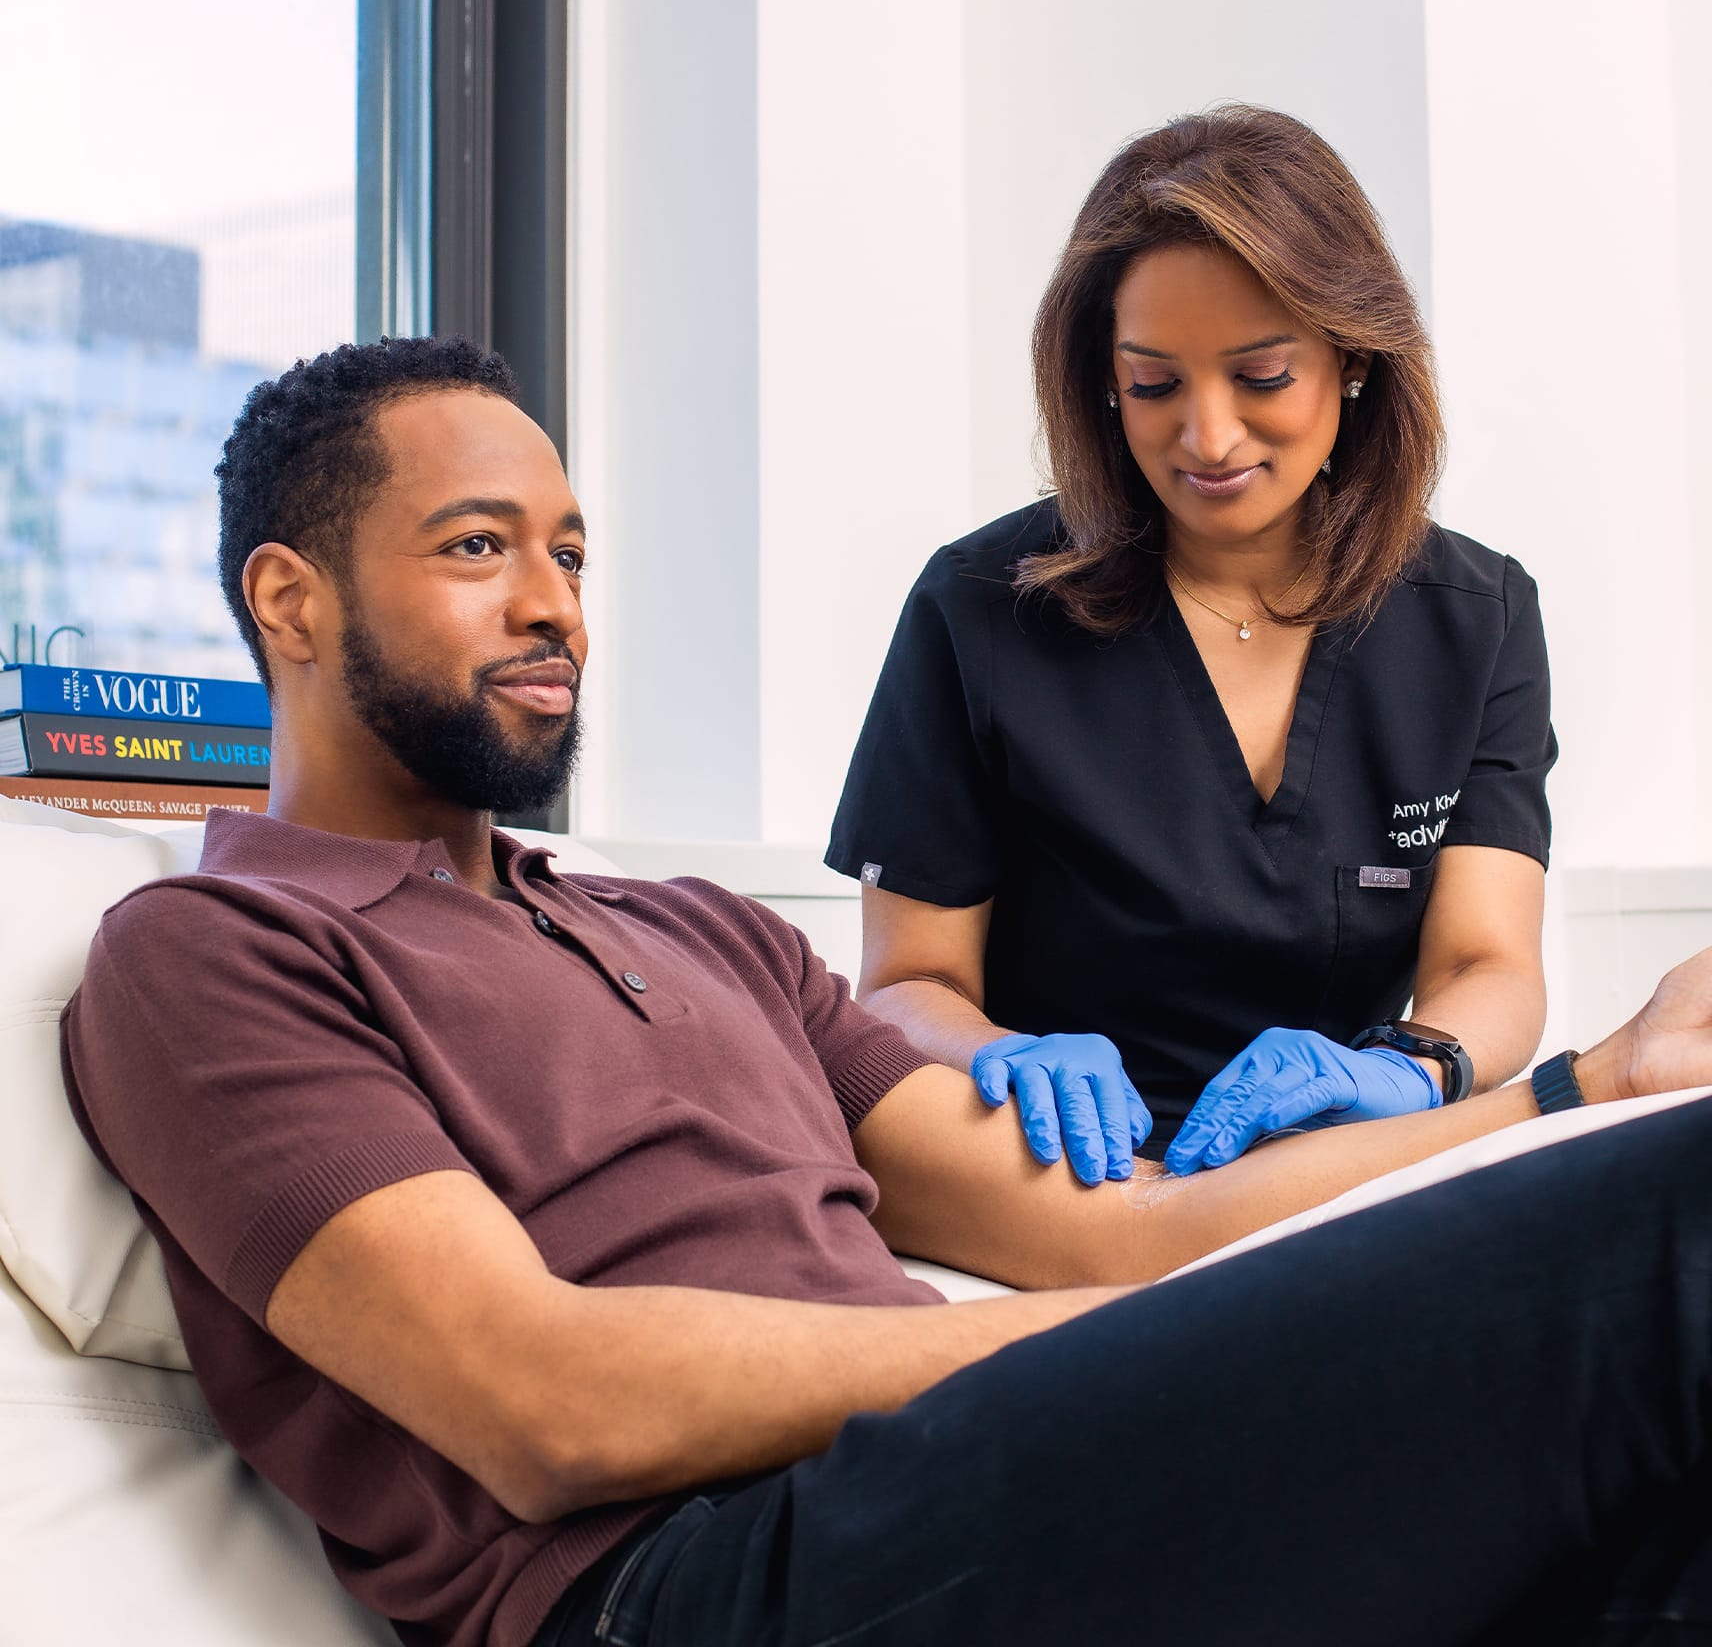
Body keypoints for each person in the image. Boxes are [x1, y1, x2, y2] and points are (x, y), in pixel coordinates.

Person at [59, 338, 1712, 1647]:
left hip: (971, 1499)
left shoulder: (705, 934)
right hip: (694, 1582)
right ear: (289, 599)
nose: (555, 603)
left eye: (569, 553)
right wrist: (1105, 1349)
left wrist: (1584, 1083)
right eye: (479, 549)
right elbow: (541, 1400)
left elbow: (1124, 1233)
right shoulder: (216, 953)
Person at [826, 104, 1556, 1183]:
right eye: (1154, 384)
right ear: (1102, 378)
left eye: (1261, 377)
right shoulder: (979, 607)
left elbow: (1486, 962)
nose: (1207, 438)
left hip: (1331, 1168)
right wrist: (1000, 1055)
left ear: (1353, 358)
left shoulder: (1474, 617)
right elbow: (904, 985)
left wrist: (1412, 1069)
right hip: (1057, 1170)